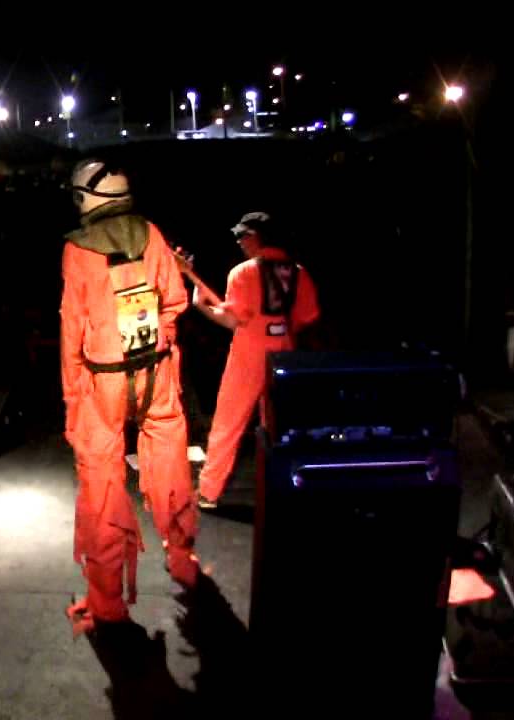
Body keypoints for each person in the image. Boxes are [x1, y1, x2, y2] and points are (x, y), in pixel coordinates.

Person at [59, 159, 200, 636]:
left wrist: (73, 404)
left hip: (104, 385)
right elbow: (175, 300)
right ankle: (182, 558)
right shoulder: (152, 234)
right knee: (172, 470)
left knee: (102, 491)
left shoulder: (77, 251)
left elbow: (71, 333)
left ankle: (108, 604)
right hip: (156, 372)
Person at [192, 212, 320, 507]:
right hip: (284, 353)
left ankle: (209, 492)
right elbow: (307, 316)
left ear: (255, 237)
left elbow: (231, 320)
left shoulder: (243, 272)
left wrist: (201, 305)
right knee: (276, 425)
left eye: (242, 236)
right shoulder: (298, 271)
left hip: (249, 352)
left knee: (228, 423)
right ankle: (284, 486)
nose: (239, 243)